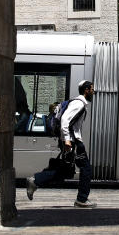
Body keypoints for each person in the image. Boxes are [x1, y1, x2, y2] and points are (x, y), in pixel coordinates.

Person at [25, 79, 97, 208]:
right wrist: (67, 140)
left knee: (66, 170)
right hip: (73, 142)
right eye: (92, 89)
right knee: (86, 169)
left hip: (71, 141)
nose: (94, 91)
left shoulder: (79, 103)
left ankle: (36, 181)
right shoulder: (79, 104)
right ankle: (82, 199)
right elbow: (65, 120)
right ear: (86, 90)